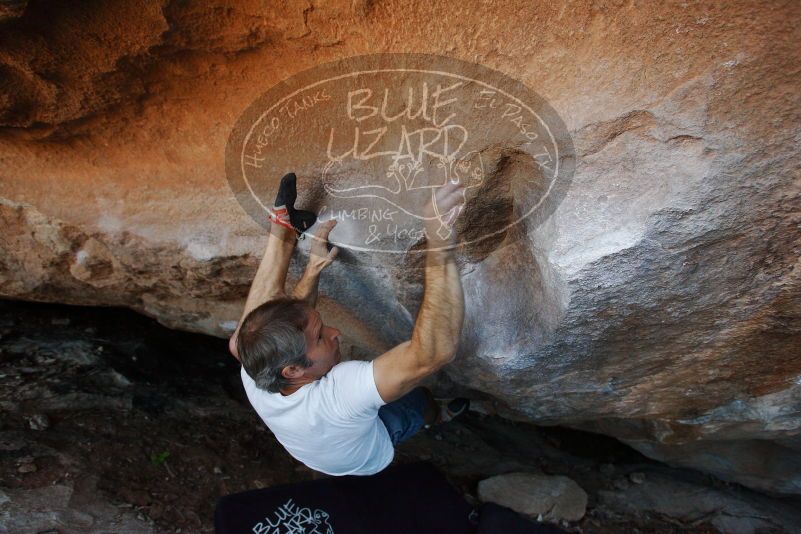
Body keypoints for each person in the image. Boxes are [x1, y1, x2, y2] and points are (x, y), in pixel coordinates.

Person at [228, 172, 468, 476]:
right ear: (293, 370)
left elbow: (288, 325)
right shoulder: (338, 396)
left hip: (315, 445)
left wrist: (313, 271)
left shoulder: (255, 367)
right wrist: (439, 243)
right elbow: (432, 354)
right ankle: (438, 416)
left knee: (244, 337)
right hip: (366, 456)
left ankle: (284, 231)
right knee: (417, 402)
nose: (335, 332)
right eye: (320, 337)